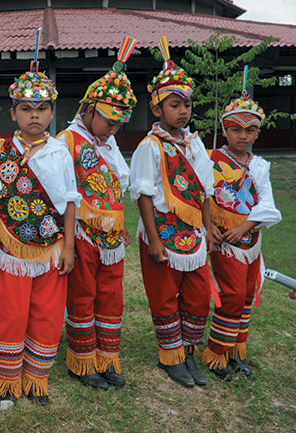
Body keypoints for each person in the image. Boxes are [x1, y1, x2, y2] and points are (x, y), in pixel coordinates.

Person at [0, 68, 81, 407]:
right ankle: (6, 380)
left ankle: (36, 378)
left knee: (47, 314)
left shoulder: (60, 153)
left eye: (42, 108)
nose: (34, 115)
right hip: (12, 249)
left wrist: (69, 247)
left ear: (53, 112)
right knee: (11, 313)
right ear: (13, 112)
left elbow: (70, 201)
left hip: (53, 248)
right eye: (26, 108)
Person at [129, 36, 215, 388]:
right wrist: (152, 238)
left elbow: (205, 191)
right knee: (164, 297)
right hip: (161, 231)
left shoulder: (194, 144)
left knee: (197, 295)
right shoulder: (149, 147)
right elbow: (143, 195)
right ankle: (171, 357)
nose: (182, 111)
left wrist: (208, 229)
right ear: (157, 109)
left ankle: (189, 352)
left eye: (187, 105)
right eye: (174, 104)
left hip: (192, 232)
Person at [56, 36, 137, 391]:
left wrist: (119, 225)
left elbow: (120, 183)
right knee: (82, 296)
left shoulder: (110, 143)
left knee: (111, 296)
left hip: (111, 235)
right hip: (84, 234)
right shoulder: (66, 141)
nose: (113, 129)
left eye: (118, 124)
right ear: (88, 110)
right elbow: (61, 193)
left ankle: (108, 358)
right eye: (108, 121)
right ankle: (82, 361)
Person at [201, 79, 282, 379]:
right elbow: (202, 195)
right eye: (236, 129)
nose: (243, 135)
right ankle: (217, 353)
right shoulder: (211, 160)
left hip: (250, 240)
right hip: (224, 241)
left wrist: (246, 225)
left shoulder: (259, 166)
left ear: (258, 132)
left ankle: (237, 349)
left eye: (250, 130)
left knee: (247, 294)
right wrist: (210, 225)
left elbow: (268, 204)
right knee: (232, 294)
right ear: (225, 130)